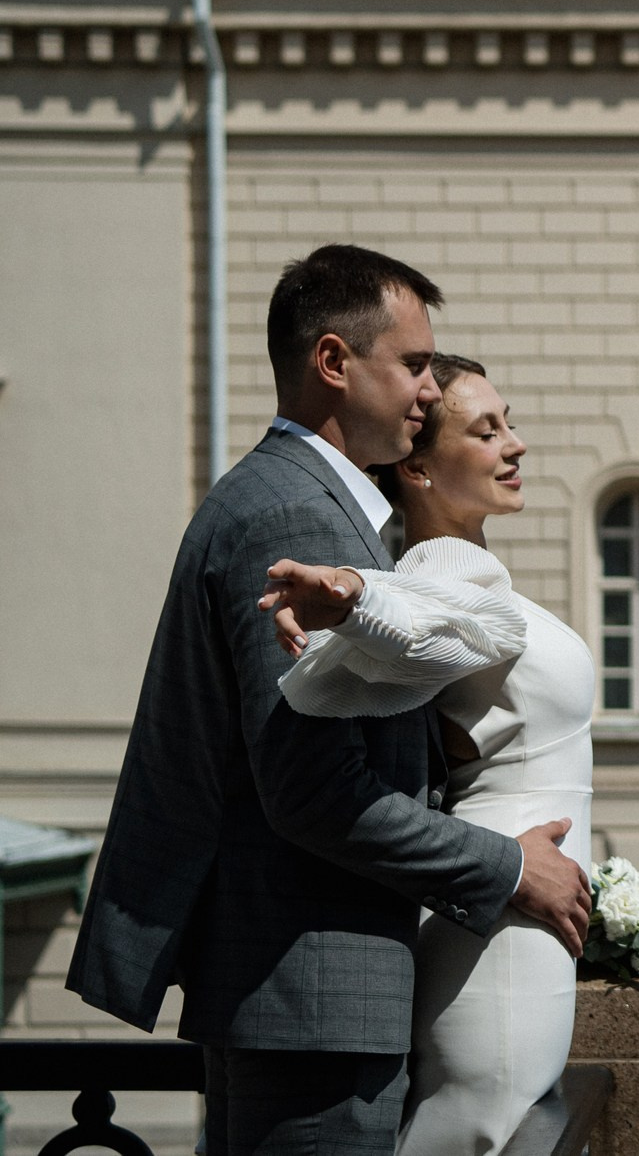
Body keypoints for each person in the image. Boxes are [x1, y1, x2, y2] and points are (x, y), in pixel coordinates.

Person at [66, 246, 591, 1156]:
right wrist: (508, 867)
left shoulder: (308, 504)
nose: (427, 389)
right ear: (335, 362)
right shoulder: (294, 513)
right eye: (414, 363)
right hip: (312, 997)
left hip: (308, 994)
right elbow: (311, 789)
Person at [262, 353, 595, 1156]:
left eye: (509, 423)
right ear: (416, 468)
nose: (514, 443)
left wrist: (358, 599)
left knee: (496, 1120)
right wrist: (353, 597)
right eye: (486, 430)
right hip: (505, 916)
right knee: (479, 1123)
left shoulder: (469, 571)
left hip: (517, 908)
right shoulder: (442, 567)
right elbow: (421, 622)